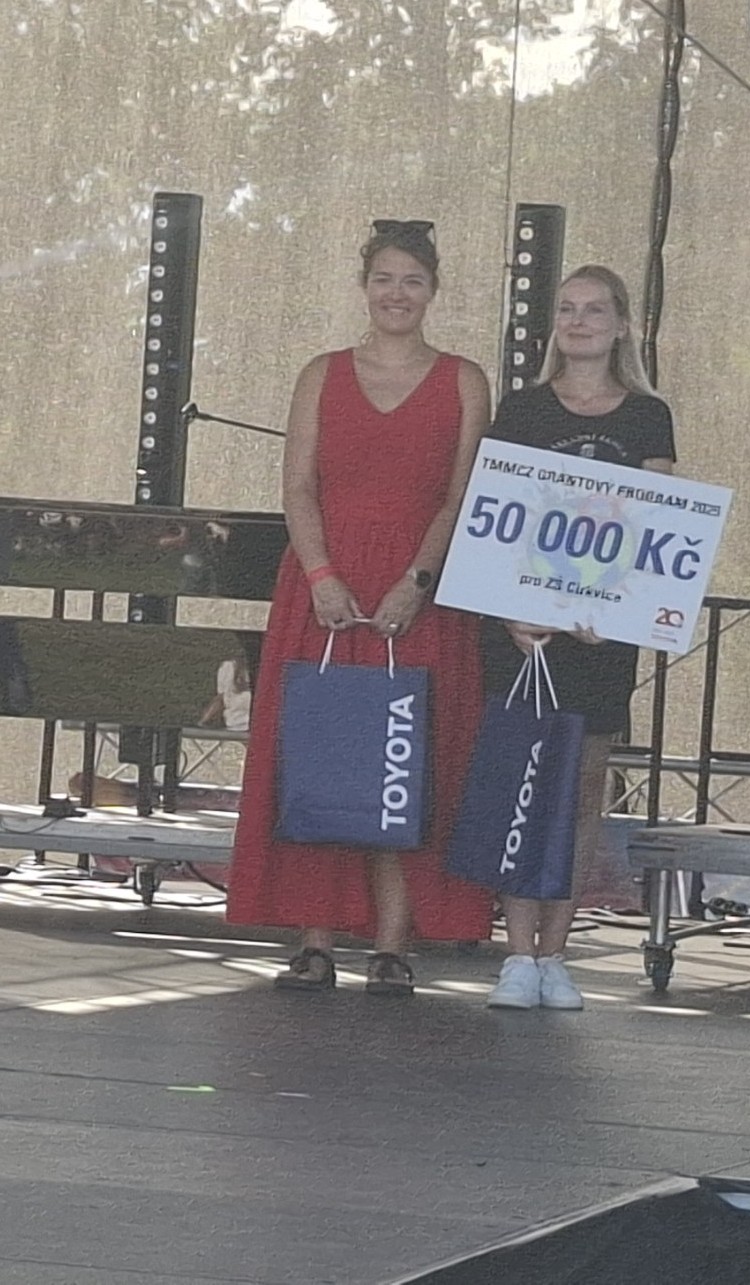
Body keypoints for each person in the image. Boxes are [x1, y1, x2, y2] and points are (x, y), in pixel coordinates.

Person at [226, 219, 493, 996]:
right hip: (326, 588)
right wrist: (319, 575)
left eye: (412, 280)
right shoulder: (321, 373)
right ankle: (313, 937)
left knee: (407, 761)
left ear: (433, 290)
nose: (396, 293)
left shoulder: (464, 380)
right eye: (383, 278)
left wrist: (418, 579)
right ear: (364, 286)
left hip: (419, 595)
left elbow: (460, 495)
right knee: (323, 753)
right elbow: (297, 486)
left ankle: (392, 943)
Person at [482, 264, 676, 1011]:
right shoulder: (522, 409)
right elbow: (494, 515)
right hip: (526, 633)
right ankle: (516, 953)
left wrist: (619, 609)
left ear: (622, 324)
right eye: (567, 308)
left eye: (594, 309)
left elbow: (654, 525)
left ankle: (555, 953)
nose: (579, 320)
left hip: (599, 634)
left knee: (584, 788)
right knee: (523, 785)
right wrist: (510, 612)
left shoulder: (647, 416)